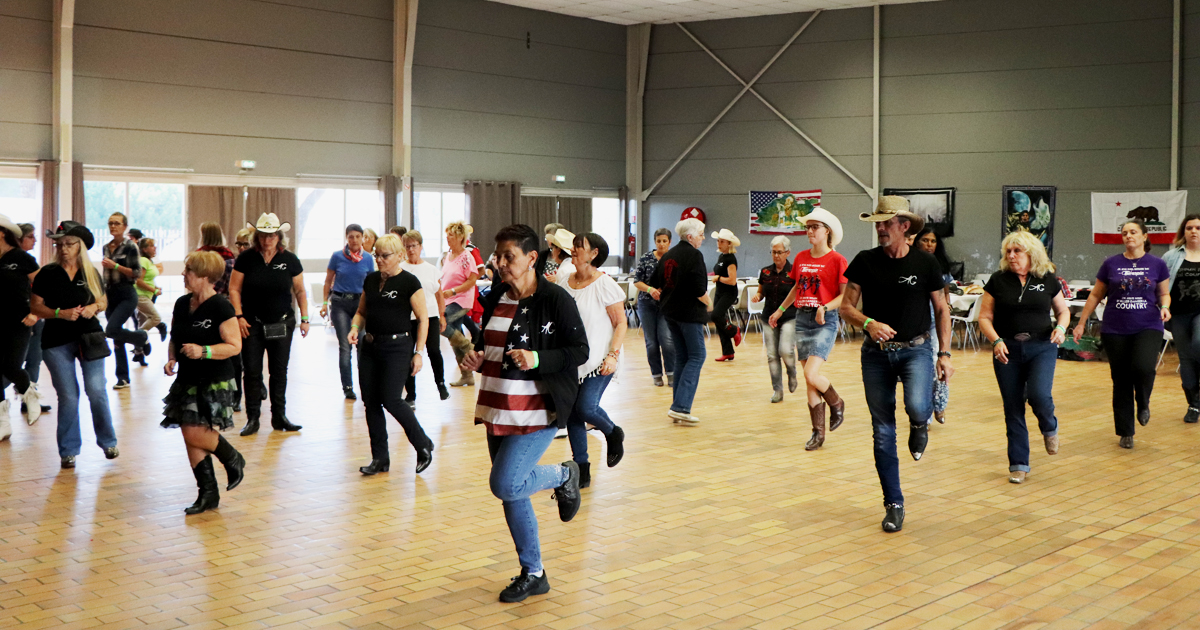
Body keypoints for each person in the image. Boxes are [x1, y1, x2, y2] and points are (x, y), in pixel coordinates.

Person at [459, 223, 586, 603]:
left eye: (508, 256)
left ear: (532, 258)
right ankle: (534, 572)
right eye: (497, 256)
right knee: (512, 494)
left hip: (538, 410)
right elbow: (491, 343)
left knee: (506, 483)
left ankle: (565, 474)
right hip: (498, 405)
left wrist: (537, 358)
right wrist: (478, 357)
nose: (499, 263)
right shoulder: (497, 294)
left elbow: (579, 351)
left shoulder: (555, 299)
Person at [840, 196, 954, 533]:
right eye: (877, 223)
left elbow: (943, 309)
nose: (880, 229)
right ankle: (894, 503)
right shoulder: (865, 261)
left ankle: (920, 423)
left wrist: (944, 354)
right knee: (882, 431)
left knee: (917, 405)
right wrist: (868, 323)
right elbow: (846, 307)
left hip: (917, 350)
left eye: (886, 223)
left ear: (905, 227)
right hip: (875, 356)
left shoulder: (925, 263)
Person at [978, 231, 1069, 483]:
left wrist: (1061, 328)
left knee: (1039, 395)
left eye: (1017, 251)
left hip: (1041, 346)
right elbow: (984, 317)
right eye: (1008, 251)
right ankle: (1018, 463)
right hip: (1007, 348)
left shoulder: (1047, 279)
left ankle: (1049, 426)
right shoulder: (998, 280)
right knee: (1013, 405)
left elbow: (1062, 311)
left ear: (1031, 253)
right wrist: (995, 340)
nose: (1011, 256)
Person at [1072, 219, 1170, 449]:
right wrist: (1081, 322)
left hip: (1148, 325)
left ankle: (1143, 402)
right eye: (1124, 233)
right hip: (1115, 327)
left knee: (1144, 367)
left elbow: (1164, 293)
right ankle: (1126, 431)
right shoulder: (1111, 264)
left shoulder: (1157, 264)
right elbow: (1095, 295)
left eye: (1133, 232)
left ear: (1145, 236)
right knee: (1121, 378)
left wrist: (1165, 306)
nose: (1128, 236)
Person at [162, 251, 247, 514]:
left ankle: (233, 457)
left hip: (214, 379)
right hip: (187, 378)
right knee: (191, 436)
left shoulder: (221, 306)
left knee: (193, 431)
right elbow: (176, 335)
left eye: (189, 271)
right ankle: (208, 493)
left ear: (205, 277)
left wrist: (204, 351)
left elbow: (234, 346)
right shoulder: (181, 303)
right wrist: (171, 358)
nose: (183, 274)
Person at [31, 221, 120, 469]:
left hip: (89, 338)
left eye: (69, 244)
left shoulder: (91, 272)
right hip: (55, 342)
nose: (64, 248)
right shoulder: (47, 273)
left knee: (97, 390)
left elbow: (102, 300)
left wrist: (94, 307)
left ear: (80, 246)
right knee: (69, 396)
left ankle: (108, 441)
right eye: (59, 244)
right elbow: (35, 307)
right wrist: (60, 313)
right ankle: (68, 450)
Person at [347, 234, 435, 475]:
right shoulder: (371, 279)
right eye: (376, 255)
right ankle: (380, 458)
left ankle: (422, 445)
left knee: (392, 399)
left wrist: (419, 353)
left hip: (398, 347)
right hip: (370, 347)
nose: (379, 260)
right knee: (371, 403)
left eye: (385, 255)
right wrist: (355, 327)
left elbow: (424, 320)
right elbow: (361, 312)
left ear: (399, 256)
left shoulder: (409, 282)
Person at [768, 209, 848, 449]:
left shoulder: (838, 260)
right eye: (808, 227)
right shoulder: (802, 257)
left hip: (825, 321)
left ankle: (836, 402)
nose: (810, 231)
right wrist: (781, 310)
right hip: (802, 319)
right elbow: (797, 288)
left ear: (827, 231)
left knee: (811, 374)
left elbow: (844, 297)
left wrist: (825, 306)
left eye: (815, 227)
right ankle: (818, 433)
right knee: (810, 381)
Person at [229, 213, 308, 436]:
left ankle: (279, 416)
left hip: (282, 323)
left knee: (279, 371)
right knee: (252, 371)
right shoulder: (246, 259)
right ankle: (253, 418)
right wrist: (238, 315)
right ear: (257, 237)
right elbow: (234, 289)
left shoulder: (290, 260)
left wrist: (305, 318)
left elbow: (300, 291)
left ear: (279, 236)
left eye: (271, 235)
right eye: (263, 236)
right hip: (251, 324)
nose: (267, 240)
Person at [558, 232, 627, 488]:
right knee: (572, 413)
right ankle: (582, 469)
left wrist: (613, 354)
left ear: (594, 253)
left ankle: (612, 431)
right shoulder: (564, 282)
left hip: (600, 359)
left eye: (579, 247)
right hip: (571, 361)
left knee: (586, 408)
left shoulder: (605, 284)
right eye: (573, 246)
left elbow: (621, 323)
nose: (574, 250)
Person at [648, 218, 711, 425]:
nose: (703, 237)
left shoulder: (669, 255)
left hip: (670, 313)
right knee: (697, 355)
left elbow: (656, 283)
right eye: (701, 234)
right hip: (689, 314)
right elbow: (699, 288)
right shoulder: (694, 255)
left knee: (683, 357)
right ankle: (681, 407)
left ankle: (678, 405)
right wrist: (709, 303)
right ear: (690, 236)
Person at [320, 224, 375, 401]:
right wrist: (323, 303)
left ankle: (365, 385)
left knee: (362, 346)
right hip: (340, 303)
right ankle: (348, 387)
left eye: (358, 236)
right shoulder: (337, 256)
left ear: (362, 238)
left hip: (360, 304)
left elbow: (372, 283)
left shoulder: (367, 259)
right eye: (351, 237)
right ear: (346, 238)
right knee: (345, 346)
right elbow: (328, 281)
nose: (354, 240)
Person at [0, 215, 41, 436]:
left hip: (19, 321)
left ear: (2, 232)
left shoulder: (20, 257)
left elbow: (45, 286)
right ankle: (3, 424)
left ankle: (29, 394)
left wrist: (35, 312)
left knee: (12, 367)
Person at [400, 230, 450, 403]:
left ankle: (441, 383)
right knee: (408, 355)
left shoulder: (431, 270)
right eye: (407, 246)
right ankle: (411, 394)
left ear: (421, 247)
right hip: (409, 318)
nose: (411, 250)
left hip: (430, 317)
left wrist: (442, 315)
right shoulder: (401, 269)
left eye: (414, 246)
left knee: (434, 351)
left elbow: (439, 294)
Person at [101, 212, 149, 389]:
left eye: (117, 223)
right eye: (110, 223)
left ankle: (141, 337)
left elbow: (137, 273)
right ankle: (123, 377)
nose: (113, 226)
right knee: (116, 337)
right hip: (111, 294)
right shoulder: (106, 247)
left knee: (111, 329)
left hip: (126, 293)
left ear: (124, 226)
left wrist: (116, 266)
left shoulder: (131, 247)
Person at [1162, 215, 1200, 423]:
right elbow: (1162, 284)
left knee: (1199, 343)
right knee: (1185, 359)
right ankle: (1194, 404)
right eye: (1189, 228)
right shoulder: (1172, 256)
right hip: (1179, 314)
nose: (1194, 231)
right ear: (1183, 232)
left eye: (1198, 228)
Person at [914, 228, 953, 423]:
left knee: (941, 361)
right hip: (917, 319)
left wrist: (947, 309)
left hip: (936, 319)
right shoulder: (911, 263)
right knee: (925, 366)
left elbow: (945, 294)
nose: (929, 244)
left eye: (933, 241)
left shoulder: (941, 266)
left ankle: (940, 404)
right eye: (925, 240)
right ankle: (926, 414)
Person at [14, 223, 51, 417]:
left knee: (35, 359)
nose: (35, 240)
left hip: (34, 317)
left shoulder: (28, 260)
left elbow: (41, 288)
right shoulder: (18, 261)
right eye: (30, 236)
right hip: (22, 319)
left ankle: (29, 400)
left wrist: (38, 313)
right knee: (14, 364)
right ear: (19, 239)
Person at [756, 236, 798, 403]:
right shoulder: (765, 271)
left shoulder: (795, 271)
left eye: (779, 252)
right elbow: (761, 292)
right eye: (773, 252)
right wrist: (757, 296)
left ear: (787, 252)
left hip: (789, 317)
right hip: (768, 317)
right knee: (772, 355)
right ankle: (777, 390)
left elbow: (797, 294)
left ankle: (792, 372)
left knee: (785, 350)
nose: (776, 256)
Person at [633, 228, 675, 387]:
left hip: (667, 306)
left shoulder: (674, 258)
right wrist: (650, 290)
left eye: (665, 241)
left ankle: (671, 373)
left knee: (667, 340)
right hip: (647, 304)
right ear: (655, 242)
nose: (661, 244)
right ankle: (656, 374)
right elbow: (637, 281)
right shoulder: (646, 258)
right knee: (651, 342)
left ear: (670, 242)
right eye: (659, 241)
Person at [441, 221, 480, 386]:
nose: (448, 237)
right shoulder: (448, 256)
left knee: (440, 324)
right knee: (454, 337)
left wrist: (454, 291)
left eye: (451, 234)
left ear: (459, 237)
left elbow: (473, 279)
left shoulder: (466, 256)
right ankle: (467, 375)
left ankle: (469, 347)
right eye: (447, 234)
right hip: (447, 299)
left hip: (461, 300)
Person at [130, 237, 165, 367]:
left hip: (147, 295)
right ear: (144, 249)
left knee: (142, 322)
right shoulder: (143, 260)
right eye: (152, 246)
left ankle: (138, 353)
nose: (155, 248)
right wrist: (154, 290)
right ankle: (140, 337)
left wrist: (154, 288)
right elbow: (139, 281)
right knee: (156, 318)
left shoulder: (149, 261)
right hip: (141, 296)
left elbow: (149, 279)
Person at [710, 228, 743, 361]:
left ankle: (734, 330)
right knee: (719, 321)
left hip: (728, 293)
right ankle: (728, 352)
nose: (719, 243)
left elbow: (732, 280)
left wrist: (718, 278)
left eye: (722, 241)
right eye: (718, 241)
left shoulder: (730, 259)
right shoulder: (721, 256)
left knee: (715, 315)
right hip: (720, 291)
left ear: (729, 243)